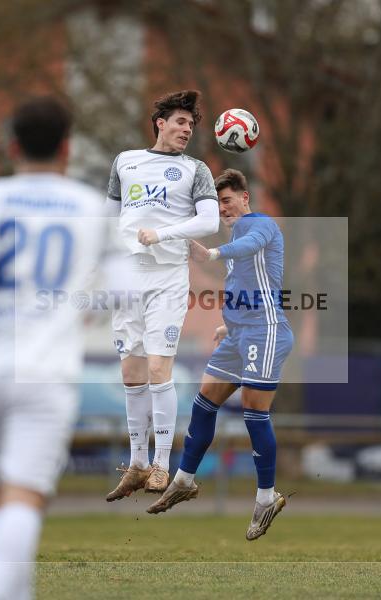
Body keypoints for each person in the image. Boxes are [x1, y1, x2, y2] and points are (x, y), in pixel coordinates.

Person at [0, 97, 111, 600]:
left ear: (12, 146)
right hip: (44, 369)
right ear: (67, 149)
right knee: (24, 492)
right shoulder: (92, 207)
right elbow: (128, 288)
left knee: (6, 489)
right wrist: (93, 305)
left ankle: (14, 590)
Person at [146, 169, 294, 540]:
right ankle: (184, 480)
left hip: (267, 331)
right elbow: (253, 284)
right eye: (219, 203)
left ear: (245, 198)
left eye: (228, 200)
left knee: (253, 411)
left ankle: (265, 497)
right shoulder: (237, 238)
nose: (224, 208)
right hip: (241, 332)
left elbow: (248, 247)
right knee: (204, 400)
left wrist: (210, 251)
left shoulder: (259, 224)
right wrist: (231, 324)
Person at [104, 90, 219, 500]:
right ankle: (136, 463)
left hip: (168, 276)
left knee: (158, 369)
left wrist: (163, 234)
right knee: (131, 373)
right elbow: (108, 216)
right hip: (127, 275)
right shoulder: (125, 161)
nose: (187, 130)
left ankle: (161, 465)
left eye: (191, 125)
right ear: (160, 123)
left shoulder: (195, 170)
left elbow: (209, 219)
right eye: (181, 122)